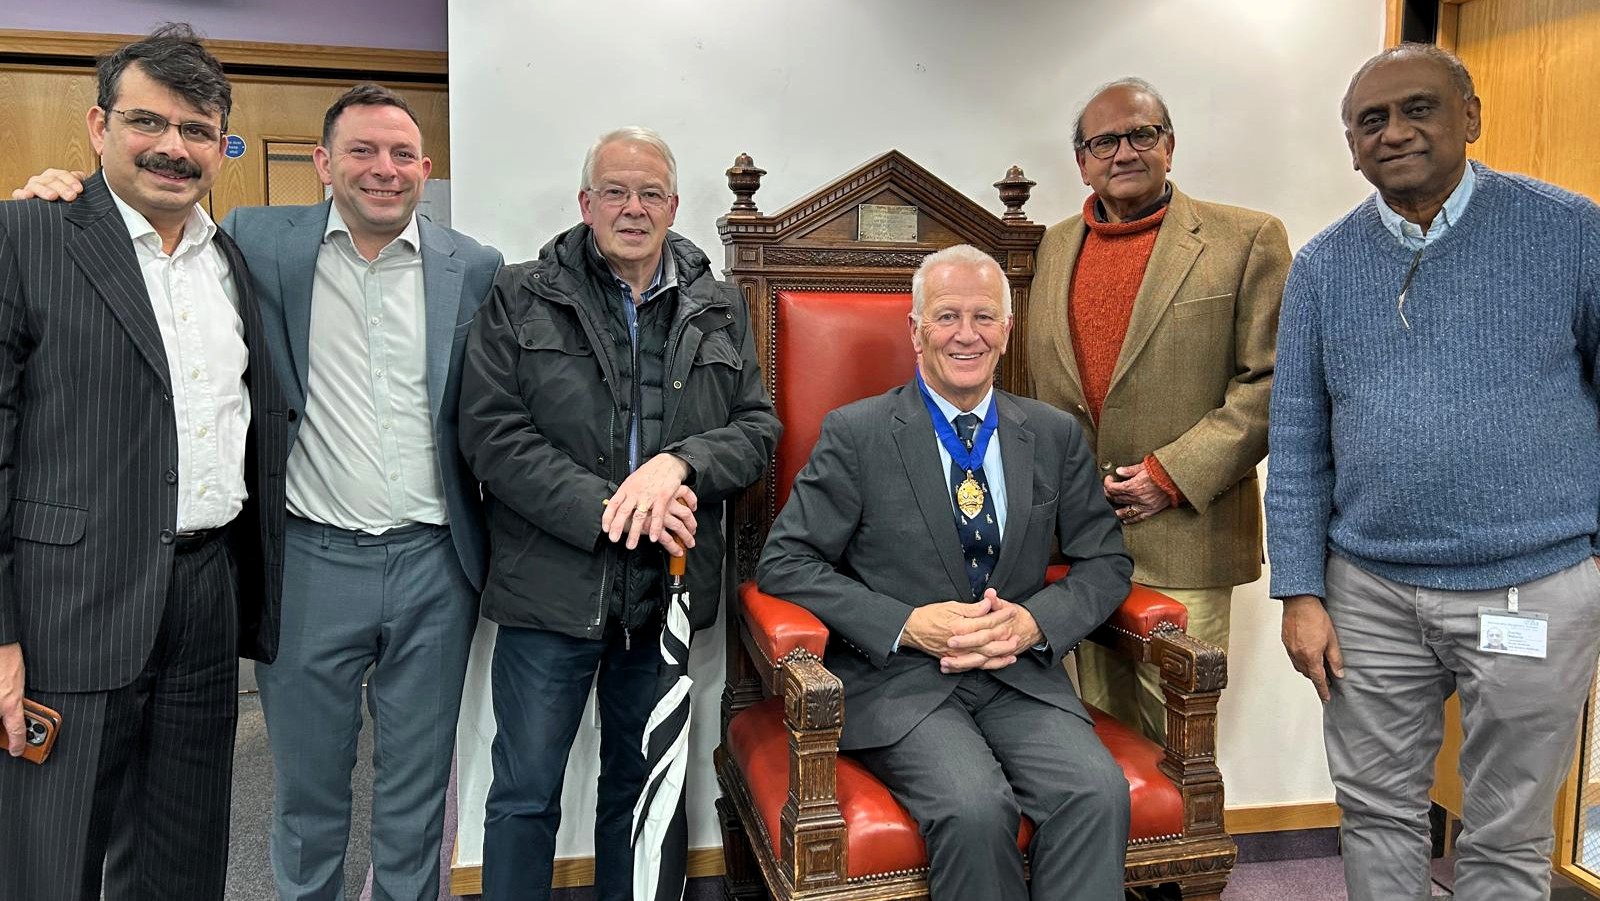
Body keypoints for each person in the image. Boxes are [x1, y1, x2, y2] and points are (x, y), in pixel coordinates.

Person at [17, 83, 503, 901]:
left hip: (435, 567)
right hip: (310, 563)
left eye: (401, 154)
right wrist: (61, 192)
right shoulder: (256, 239)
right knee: (309, 791)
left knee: (418, 789)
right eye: (361, 151)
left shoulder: (475, 266)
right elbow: (148, 234)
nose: (383, 169)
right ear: (323, 163)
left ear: (426, 168)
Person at [1268, 43, 1600, 901]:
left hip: (1535, 584)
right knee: (1375, 813)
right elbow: (1297, 438)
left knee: (1509, 825)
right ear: (1351, 147)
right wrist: (1299, 589)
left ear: (1470, 117)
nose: (1394, 132)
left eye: (1418, 108)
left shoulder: (1573, 232)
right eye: (1370, 121)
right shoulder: (1322, 267)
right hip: (1368, 594)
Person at [0, 25, 287, 901]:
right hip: (66, 608)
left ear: (221, 146)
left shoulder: (228, 259)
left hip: (203, 595)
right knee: (49, 860)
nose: (174, 146)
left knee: (182, 855)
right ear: (98, 126)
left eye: (199, 130)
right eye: (147, 122)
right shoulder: (26, 234)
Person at [458, 126, 778, 901]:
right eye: (615, 191)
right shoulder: (521, 294)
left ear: (673, 205)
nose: (633, 208)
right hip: (549, 587)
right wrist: (613, 507)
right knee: (525, 791)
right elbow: (492, 434)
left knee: (644, 793)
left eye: (650, 193)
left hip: (665, 591)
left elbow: (757, 428)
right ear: (586, 202)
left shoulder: (719, 306)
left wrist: (681, 464)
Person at [759, 244, 1133, 901]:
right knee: (973, 807)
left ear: (1007, 330)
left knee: (1096, 792)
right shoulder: (858, 433)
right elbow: (785, 561)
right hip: (902, 682)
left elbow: (1106, 560)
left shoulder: (1052, 434)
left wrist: (1035, 622)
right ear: (916, 330)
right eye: (947, 316)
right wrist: (905, 624)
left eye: (984, 317)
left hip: (1019, 676)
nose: (967, 334)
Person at [1026, 77, 1289, 742]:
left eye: (1141, 134)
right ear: (1081, 161)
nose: (1124, 152)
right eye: (1104, 141)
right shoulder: (1052, 247)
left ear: (1169, 146)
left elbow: (1271, 381)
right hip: (1079, 546)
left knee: (1180, 747)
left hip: (1186, 536)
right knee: (1102, 739)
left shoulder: (1246, 238)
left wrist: (1168, 476)